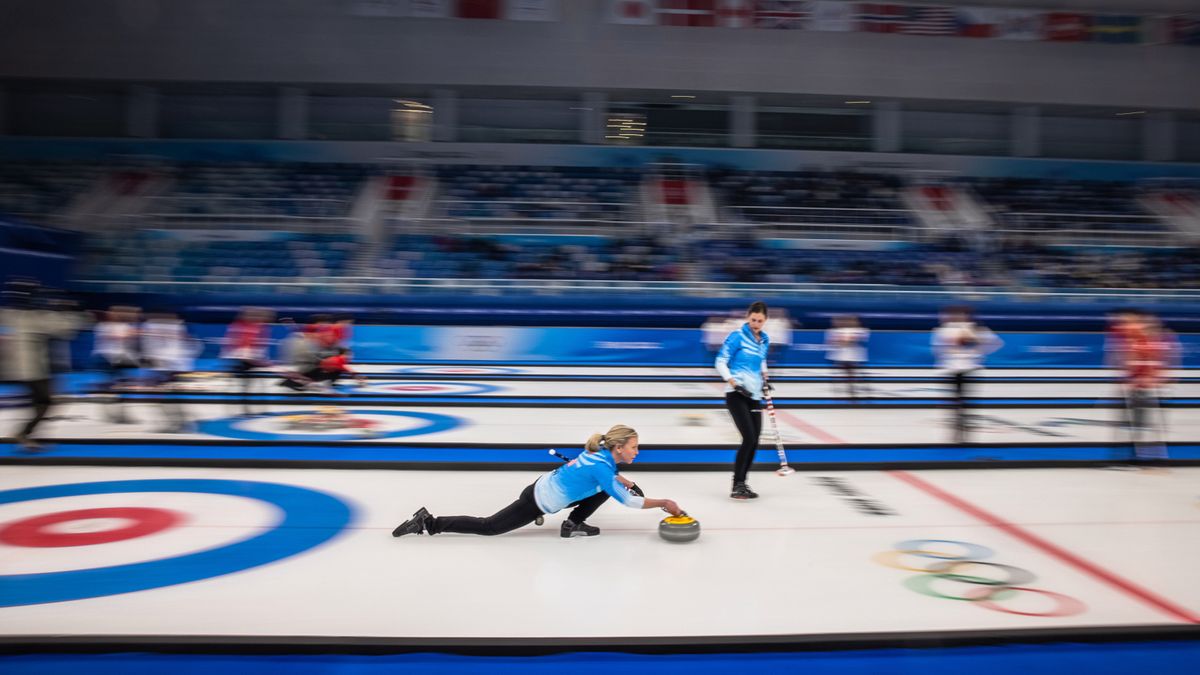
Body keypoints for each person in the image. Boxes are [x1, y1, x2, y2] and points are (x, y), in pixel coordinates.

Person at [392, 424, 682, 538]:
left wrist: (623, 480)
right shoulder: (602, 467)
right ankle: (429, 522)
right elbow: (628, 501)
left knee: (608, 488)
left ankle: (573, 523)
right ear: (619, 448)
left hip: (541, 487)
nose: (637, 451)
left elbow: (606, 479)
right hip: (537, 501)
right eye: (634, 447)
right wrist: (664, 503)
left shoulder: (600, 454)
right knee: (489, 527)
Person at [1, 279, 85, 452]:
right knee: (46, 403)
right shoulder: (35, 318)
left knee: (40, 402)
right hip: (33, 370)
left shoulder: (8, 314)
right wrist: (68, 310)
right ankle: (24, 434)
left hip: (17, 369)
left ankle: (28, 435)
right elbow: (67, 329)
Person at [715, 300, 770, 500]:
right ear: (748, 317)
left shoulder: (764, 340)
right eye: (753, 320)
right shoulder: (737, 336)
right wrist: (734, 384)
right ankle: (737, 484)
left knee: (755, 441)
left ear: (765, 321)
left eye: (760, 321)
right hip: (736, 394)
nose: (756, 324)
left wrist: (765, 378)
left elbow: (761, 360)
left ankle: (743, 482)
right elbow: (720, 361)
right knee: (748, 438)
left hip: (755, 396)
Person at [931, 307, 1002, 444]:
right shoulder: (945, 329)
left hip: (969, 369)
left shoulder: (977, 329)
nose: (958, 317)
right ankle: (957, 428)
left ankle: (963, 428)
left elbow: (996, 343)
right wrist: (946, 359)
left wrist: (978, 352)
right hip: (952, 370)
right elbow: (938, 349)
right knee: (954, 402)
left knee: (965, 401)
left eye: (961, 314)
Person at [140, 310, 197, 433]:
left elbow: (189, 346)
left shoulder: (176, 327)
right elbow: (148, 347)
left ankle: (182, 423)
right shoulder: (152, 326)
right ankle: (177, 423)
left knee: (169, 396)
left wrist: (182, 365)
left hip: (170, 368)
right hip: (160, 368)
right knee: (159, 397)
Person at [92, 305, 141, 424]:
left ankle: (121, 414)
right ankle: (110, 414)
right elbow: (112, 337)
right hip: (105, 359)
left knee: (123, 387)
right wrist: (129, 334)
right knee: (109, 388)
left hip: (119, 359)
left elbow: (128, 341)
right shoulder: (103, 326)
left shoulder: (124, 326)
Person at [222, 307, 273, 416]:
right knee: (245, 386)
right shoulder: (241, 326)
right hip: (242, 360)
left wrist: (261, 360)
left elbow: (258, 346)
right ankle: (244, 410)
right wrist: (250, 359)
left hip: (251, 360)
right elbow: (238, 345)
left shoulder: (260, 326)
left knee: (253, 386)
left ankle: (254, 409)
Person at [825, 314, 869, 401]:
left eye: (854, 321)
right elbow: (832, 342)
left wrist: (845, 342)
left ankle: (853, 391)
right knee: (842, 373)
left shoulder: (860, 330)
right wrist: (841, 342)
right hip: (841, 355)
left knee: (852, 374)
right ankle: (841, 392)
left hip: (853, 356)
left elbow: (855, 340)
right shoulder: (833, 331)